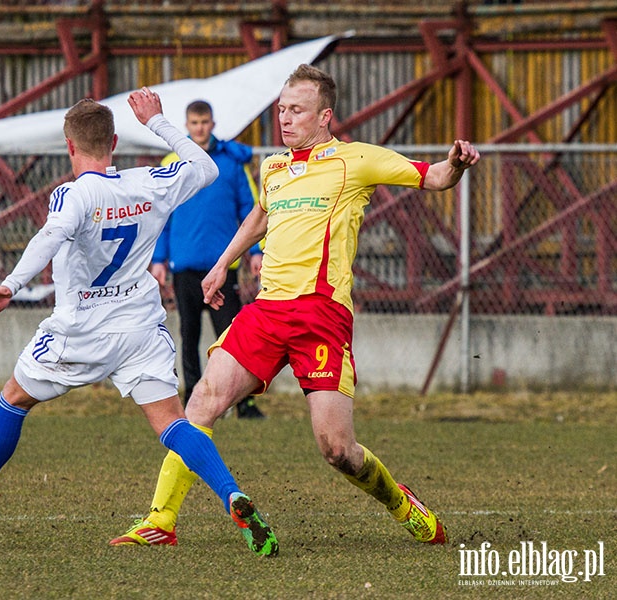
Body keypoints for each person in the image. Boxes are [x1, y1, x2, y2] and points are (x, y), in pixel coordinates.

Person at [110, 64, 480, 548]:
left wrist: (456, 162)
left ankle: (400, 502)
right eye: (281, 109)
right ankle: (161, 520)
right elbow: (260, 216)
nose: (284, 119)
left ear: (324, 116)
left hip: (322, 318)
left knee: (338, 449)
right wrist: (224, 264)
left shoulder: (355, 160)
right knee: (200, 401)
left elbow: (432, 177)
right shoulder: (275, 166)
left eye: (296, 110)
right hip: (266, 310)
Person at [0, 89, 278, 557]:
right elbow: (206, 168)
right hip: (141, 327)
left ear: (70, 147)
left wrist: (11, 284)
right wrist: (158, 122)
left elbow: (51, 236)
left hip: (80, 330)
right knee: (172, 422)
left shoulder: (72, 193)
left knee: (12, 399)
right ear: (113, 142)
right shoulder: (148, 181)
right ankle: (231, 492)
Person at [151, 100, 265, 419]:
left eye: (204, 122)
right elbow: (162, 216)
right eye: (194, 123)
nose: (200, 128)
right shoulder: (173, 162)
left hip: (222, 269)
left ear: (213, 124)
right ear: (186, 126)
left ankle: (244, 401)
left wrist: (256, 252)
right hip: (184, 267)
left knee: (231, 337)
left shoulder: (231, 164)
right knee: (188, 336)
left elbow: (253, 210)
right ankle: (191, 400)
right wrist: (159, 258)